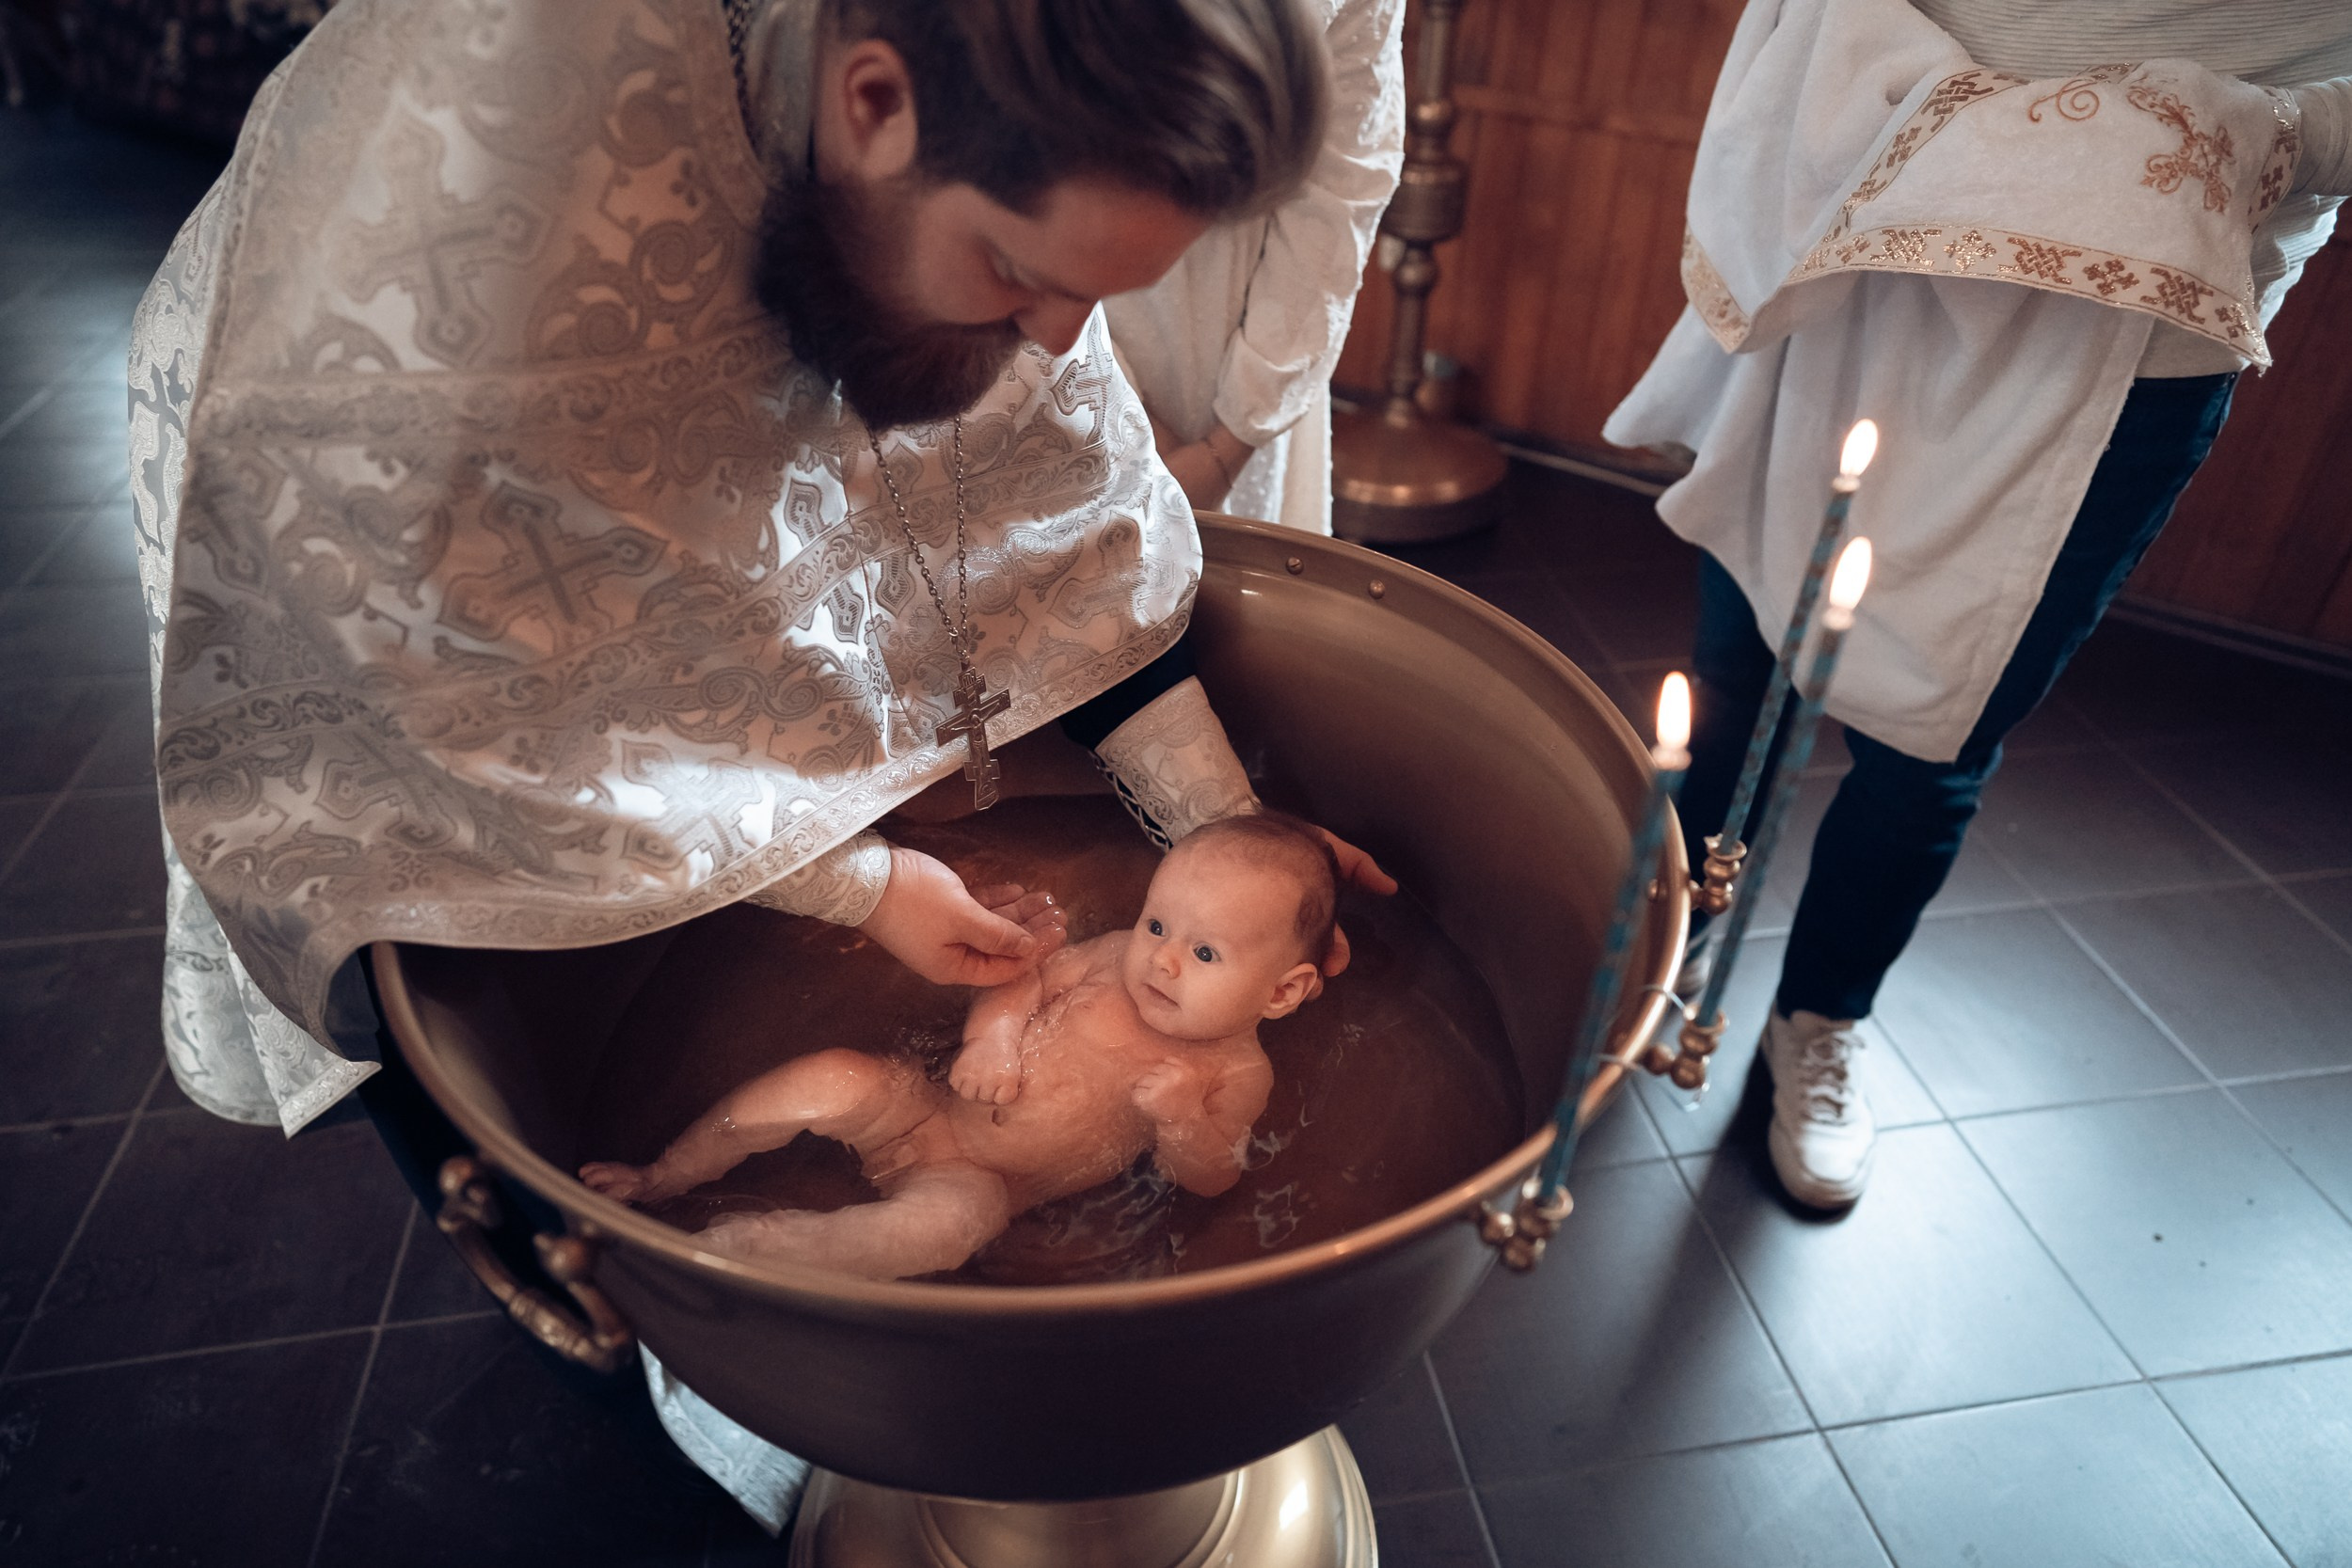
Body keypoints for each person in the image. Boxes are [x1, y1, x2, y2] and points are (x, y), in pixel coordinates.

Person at [126, 0, 1392, 1530]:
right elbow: (484, 718)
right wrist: (854, 886)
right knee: (482, 966)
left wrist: (1231, 831)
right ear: (869, 103)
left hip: (972, 1139)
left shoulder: (985, 151)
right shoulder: (473, 261)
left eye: (1097, 297)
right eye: (1017, 272)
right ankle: (657, 1301)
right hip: (378, 502)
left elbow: (1054, 502)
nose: (1060, 339)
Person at [1606, 0, 2352, 1210]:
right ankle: (1657, 942)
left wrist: (2284, 138)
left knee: (1936, 721)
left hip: (2134, 296)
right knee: (1740, 646)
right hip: (1861, 194)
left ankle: (1823, 1013)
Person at [578, 812, 1336, 1281]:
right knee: (831, 1076)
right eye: (1158, 924)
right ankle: (666, 1173)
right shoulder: (1110, 959)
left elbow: (1212, 1177)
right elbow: (1023, 977)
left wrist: (1181, 1121)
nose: (1163, 958)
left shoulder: (1235, 1070)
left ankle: (742, 1253)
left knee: (940, 1232)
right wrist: (994, 1038)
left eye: (1205, 954)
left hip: (993, 1182)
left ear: (1282, 992)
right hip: (928, 1104)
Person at [1104, 0, 1405, 532]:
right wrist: (1109, 404)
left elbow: (1344, 181)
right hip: (1042, 318)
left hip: (1249, 345)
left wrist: (1233, 438)